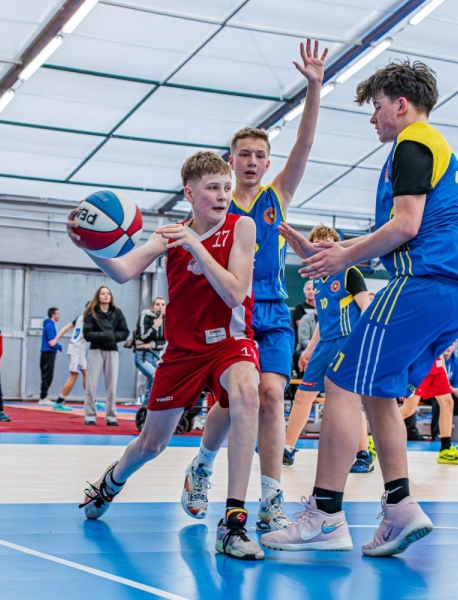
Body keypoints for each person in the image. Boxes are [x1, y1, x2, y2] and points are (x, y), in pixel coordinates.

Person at [260, 59, 458, 556]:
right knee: (378, 390)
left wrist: (344, 256)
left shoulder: (413, 142)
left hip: (429, 282)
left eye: (377, 106)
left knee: (340, 382)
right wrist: (331, 251)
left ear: (401, 104)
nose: (373, 118)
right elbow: (402, 228)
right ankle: (400, 508)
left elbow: (406, 226)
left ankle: (325, 516)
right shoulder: (433, 146)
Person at [70, 151, 263, 560]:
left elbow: (235, 292)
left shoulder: (241, 227)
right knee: (151, 444)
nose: (223, 195)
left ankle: (232, 522)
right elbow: (123, 271)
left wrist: (196, 246)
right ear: (189, 194)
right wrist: (89, 245)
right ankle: (110, 482)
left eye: (226, 187)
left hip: (229, 343)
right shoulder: (169, 235)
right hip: (183, 351)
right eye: (212, 188)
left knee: (247, 394)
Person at [181, 38, 328, 533]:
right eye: (243, 154)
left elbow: (304, 145)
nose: (250, 161)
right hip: (231, 316)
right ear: (230, 160)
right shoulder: (215, 205)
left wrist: (314, 88)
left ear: (267, 163)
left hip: (274, 313)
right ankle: (203, 466)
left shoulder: (277, 196)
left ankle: (270, 497)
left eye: (259, 155)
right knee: (234, 402)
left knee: (270, 397)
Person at [283, 225, 372, 474]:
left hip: (346, 342)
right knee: (303, 395)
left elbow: (366, 310)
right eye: (318, 241)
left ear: (336, 244)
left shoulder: (350, 272)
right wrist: (309, 350)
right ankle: (287, 449)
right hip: (324, 345)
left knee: (349, 401)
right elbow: (322, 321)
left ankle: (363, 454)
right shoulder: (316, 281)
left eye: (329, 240)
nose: (324, 245)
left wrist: (361, 344)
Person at [400, 351, 458, 465]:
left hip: (437, 362)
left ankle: (445, 449)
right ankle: (374, 440)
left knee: (448, 403)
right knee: (408, 410)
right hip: (421, 362)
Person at [82, 286, 129, 426]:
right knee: (91, 385)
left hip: (112, 350)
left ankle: (111, 416)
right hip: (96, 350)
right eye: (103, 293)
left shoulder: (117, 312)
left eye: (108, 293)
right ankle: (90, 415)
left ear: (111, 296)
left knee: (112, 386)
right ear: (98, 296)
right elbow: (87, 334)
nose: (105, 295)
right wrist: (107, 335)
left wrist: (111, 337)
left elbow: (125, 332)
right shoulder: (91, 312)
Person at [51, 303, 90, 412]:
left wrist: (56, 339)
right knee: (74, 375)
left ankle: (90, 400)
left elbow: (66, 327)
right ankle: (59, 402)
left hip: (78, 349)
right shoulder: (89, 319)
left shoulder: (80, 318)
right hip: (76, 349)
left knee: (87, 373)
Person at [134, 296, 166, 405]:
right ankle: (147, 406)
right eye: (157, 304)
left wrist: (151, 344)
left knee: (157, 380)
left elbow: (164, 342)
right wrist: (155, 326)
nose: (160, 307)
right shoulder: (145, 316)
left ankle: (149, 407)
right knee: (155, 376)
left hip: (156, 356)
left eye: (163, 305)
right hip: (143, 356)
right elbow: (143, 337)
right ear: (153, 307)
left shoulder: (167, 320)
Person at [39, 307, 62, 406]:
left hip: (47, 353)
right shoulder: (50, 326)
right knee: (47, 376)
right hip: (48, 353)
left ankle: (44, 395)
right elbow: (51, 341)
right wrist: (59, 347)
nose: (59, 315)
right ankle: (43, 397)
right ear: (53, 315)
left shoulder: (50, 325)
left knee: (47, 375)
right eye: (58, 314)